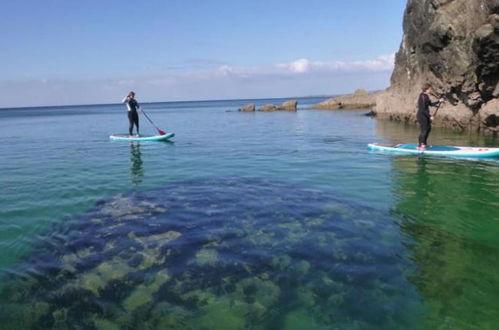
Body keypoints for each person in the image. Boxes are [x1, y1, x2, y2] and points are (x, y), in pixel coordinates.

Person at [417, 84, 444, 150]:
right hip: (422, 115)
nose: (431, 90)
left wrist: (439, 101)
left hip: (425, 115)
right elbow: (422, 109)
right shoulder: (422, 96)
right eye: (430, 89)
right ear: (427, 89)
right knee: (424, 130)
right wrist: (430, 116)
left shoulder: (426, 96)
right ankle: (421, 145)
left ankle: (424, 143)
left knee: (428, 129)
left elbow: (431, 104)